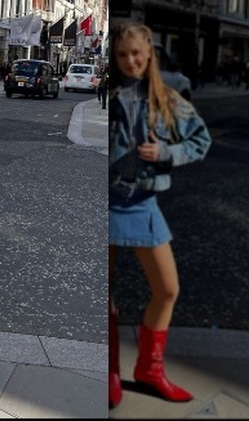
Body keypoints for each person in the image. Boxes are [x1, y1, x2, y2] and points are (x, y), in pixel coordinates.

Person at [108, 21, 211, 410]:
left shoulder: (167, 99)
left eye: (137, 53)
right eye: (122, 55)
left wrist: (168, 154)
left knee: (168, 289)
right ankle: (111, 371)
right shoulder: (112, 94)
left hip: (144, 205)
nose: (131, 61)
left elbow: (200, 140)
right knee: (108, 295)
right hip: (110, 203)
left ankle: (150, 370)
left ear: (148, 53)